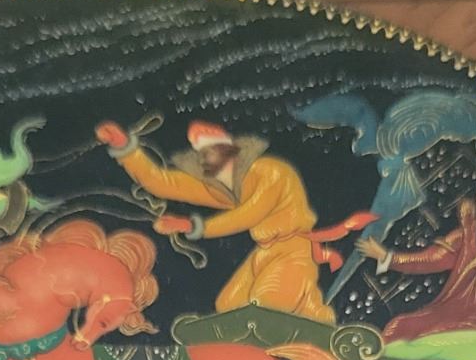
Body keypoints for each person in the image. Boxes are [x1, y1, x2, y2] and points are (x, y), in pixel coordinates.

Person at [96, 118, 365, 326]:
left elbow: (249, 214)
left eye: (213, 151)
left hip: (292, 251)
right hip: (265, 252)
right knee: (229, 306)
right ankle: (315, 318)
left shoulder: (271, 172)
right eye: (203, 154)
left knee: (265, 308)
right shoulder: (225, 189)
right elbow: (163, 183)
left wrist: (194, 226)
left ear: (231, 150)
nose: (207, 160)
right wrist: (125, 148)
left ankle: (322, 330)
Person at [356, 178, 476, 342]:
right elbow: (432, 260)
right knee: (400, 327)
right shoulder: (466, 236)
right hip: (450, 312)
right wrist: (388, 258)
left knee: (431, 340)